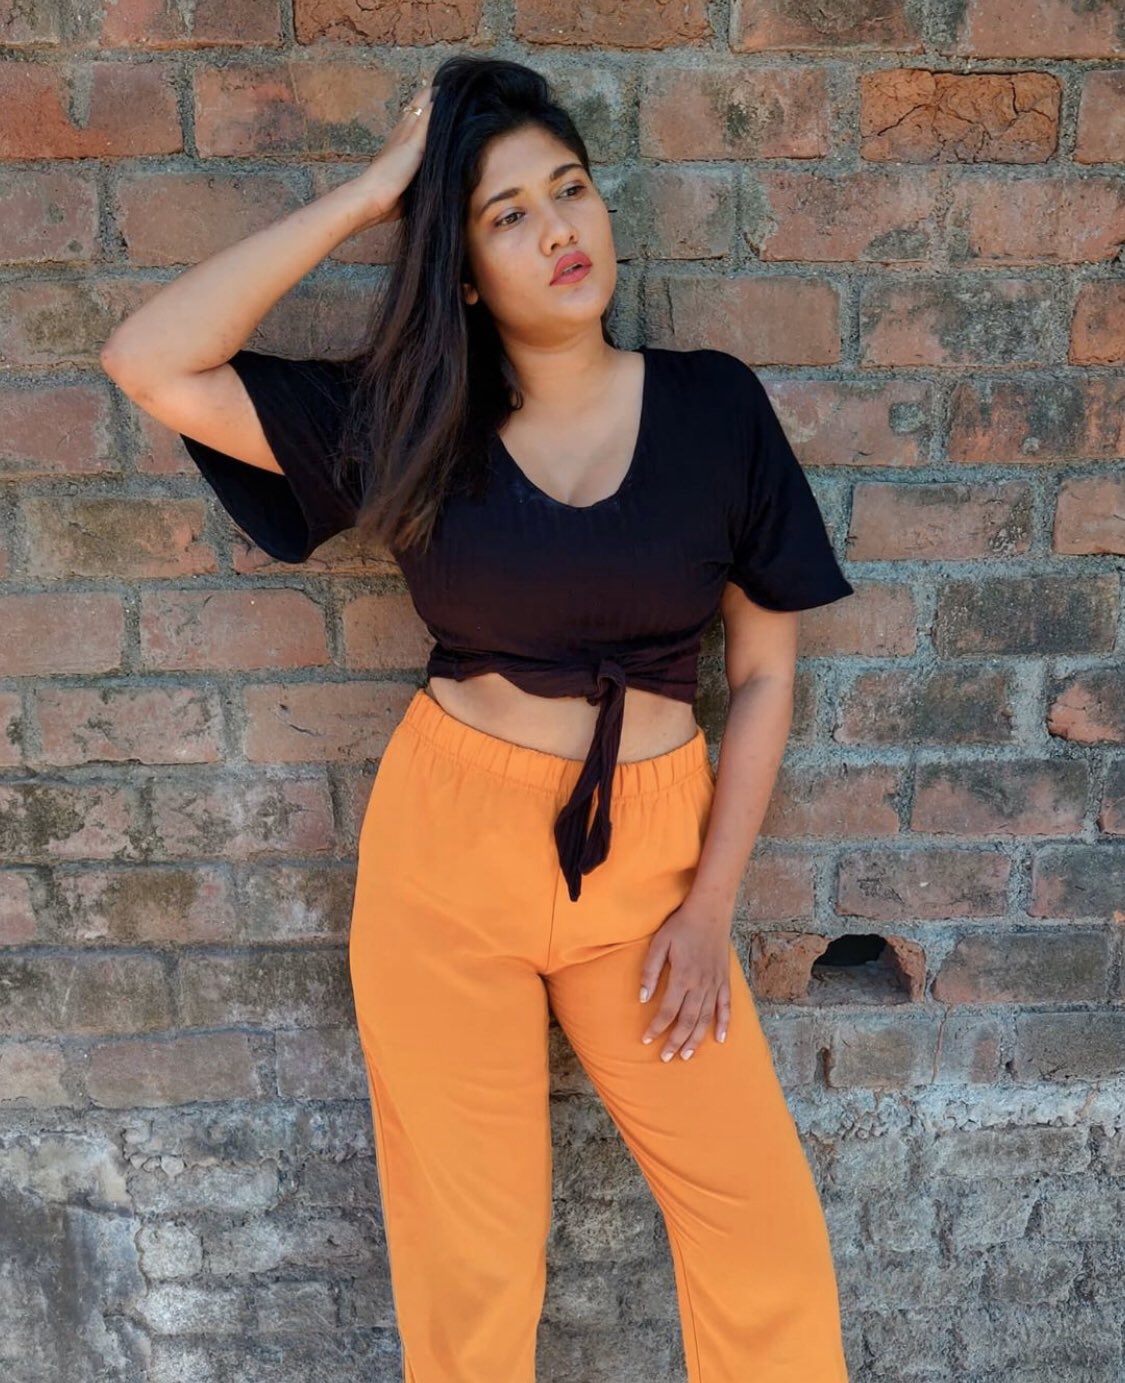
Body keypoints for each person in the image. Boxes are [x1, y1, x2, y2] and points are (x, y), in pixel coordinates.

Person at [101, 53, 854, 1383]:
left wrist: (708, 907)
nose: (559, 228)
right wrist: (374, 193)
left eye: (570, 189)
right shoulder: (412, 422)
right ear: (458, 271)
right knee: (474, 1269)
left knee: (763, 1237)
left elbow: (765, 674)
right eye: (507, 214)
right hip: (446, 860)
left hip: (651, 873)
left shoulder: (713, 407)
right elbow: (150, 359)